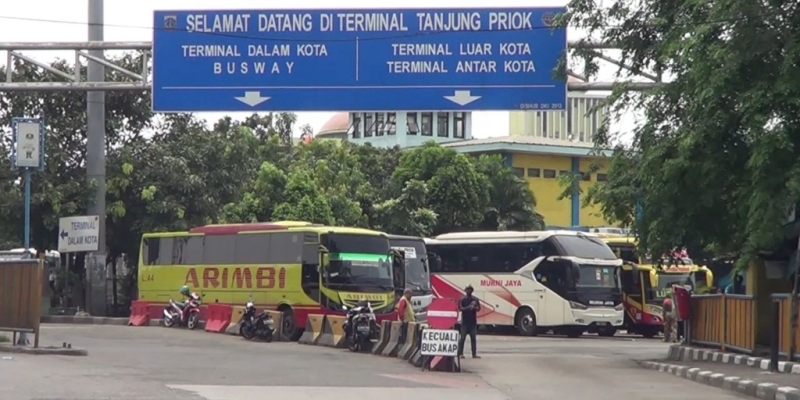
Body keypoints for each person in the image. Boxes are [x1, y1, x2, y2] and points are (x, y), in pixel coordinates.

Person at [457, 285, 481, 359]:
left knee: (473, 338)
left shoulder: (475, 299)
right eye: (467, 289)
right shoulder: (462, 299)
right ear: (465, 290)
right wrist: (468, 308)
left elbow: (479, 308)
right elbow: (460, 308)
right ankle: (460, 353)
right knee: (462, 338)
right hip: (465, 322)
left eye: (470, 289)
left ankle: (474, 353)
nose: (469, 291)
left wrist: (474, 308)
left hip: (472, 322)